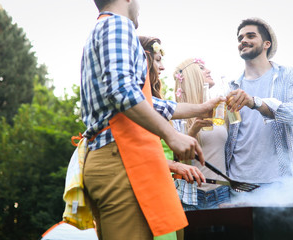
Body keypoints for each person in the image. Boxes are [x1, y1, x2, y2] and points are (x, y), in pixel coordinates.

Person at [80, 1, 221, 239]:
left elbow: (146, 102)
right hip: (121, 159)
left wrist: (202, 107)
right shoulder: (118, 25)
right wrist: (171, 135)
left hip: (112, 159)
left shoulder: (103, 28)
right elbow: (122, 92)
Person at [225, 17, 293, 205]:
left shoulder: (289, 75)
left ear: (266, 44)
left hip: (280, 182)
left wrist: (256, 103)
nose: (243, 41)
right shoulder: (232, 86)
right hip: (239, 183)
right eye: (240, 38)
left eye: (250, 36)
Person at [139, 36, 205, 185]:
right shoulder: (138, 102)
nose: (162, 67)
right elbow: (134, 152)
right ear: (143, 61)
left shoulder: (152, 99)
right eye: (157, 60)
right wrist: (174, 165)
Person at [172, 58, 231, 210]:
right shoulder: (176, 115)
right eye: (201, 68)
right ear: (190, 76)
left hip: (222, 193)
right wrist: (193, 130)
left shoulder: (218, 110)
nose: (209, 70)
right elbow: (178, 159)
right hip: (191, 196)